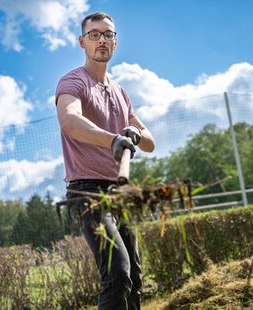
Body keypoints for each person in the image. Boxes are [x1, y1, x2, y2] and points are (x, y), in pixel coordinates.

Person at [55, 12, 155, 310]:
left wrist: (134, 131)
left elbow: (149, 141)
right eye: (95, 35)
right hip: (86, 192)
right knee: (117, 274)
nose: (102, 40)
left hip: (119, 192)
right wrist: (112, 139)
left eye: (108, 34)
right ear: (82, 42)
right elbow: (70, 122)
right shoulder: (73, 81)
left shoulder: (120, 92)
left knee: (135, 277)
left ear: (115, 42)